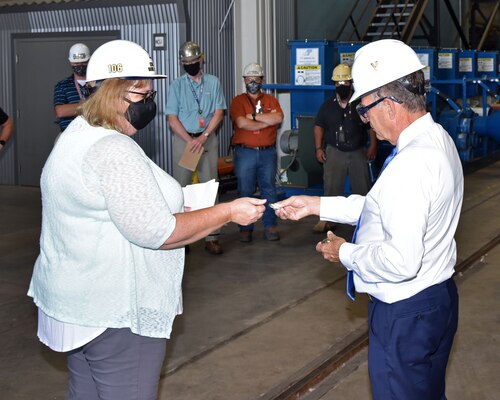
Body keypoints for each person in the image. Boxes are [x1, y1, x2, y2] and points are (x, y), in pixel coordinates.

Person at [27, 39, 265, 400]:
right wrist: (228, 211)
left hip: (76, 308)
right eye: (143, 94)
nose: (149, 103)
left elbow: (124, 208)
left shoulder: (78, 135)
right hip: (115, 313)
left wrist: (190, 214)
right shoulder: (112, 149)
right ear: (114, 92)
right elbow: (158, 232)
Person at [273, 39, 463, 400]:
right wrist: (316, 204)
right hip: (435, 301)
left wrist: (344, 252)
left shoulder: (411, 165)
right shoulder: (437, 140)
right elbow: (382, 206)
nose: (366, 121)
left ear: (388, 105)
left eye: (365, 111)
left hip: (405, 315)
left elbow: (400, 262)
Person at [166, 41, 227, 255]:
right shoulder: (177, 86)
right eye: (186, 62)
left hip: (207, 140)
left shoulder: (213, 82)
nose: (190, 65)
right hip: (185, 141)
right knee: (182, 188)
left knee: (210, 186)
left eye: (193, 61)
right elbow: (172, 118)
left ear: (201, 59)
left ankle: (212, 236)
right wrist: (190, 139)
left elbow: (219, 111)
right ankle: (182, 238)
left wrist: (204, 136)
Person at [313, 63, 377, 232]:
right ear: (334, 84)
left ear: (351, 83)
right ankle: (328, 220)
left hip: (358, 152)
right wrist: (318, 148)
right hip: (334, 151)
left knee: (362, 187)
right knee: (331, 187)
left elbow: (371, 126)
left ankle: (366, 221)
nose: (341, 87)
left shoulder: (359, 104)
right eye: (338, 84)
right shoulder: (328, 105)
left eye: (345, 83)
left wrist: (373, 146)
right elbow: (318, 126)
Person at [230, 62, 284, 242]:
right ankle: (246, 228)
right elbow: (241, 123)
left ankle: (270, 226)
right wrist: (266, 122)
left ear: (262, 80)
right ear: (244, 80)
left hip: (267, 153)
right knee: (245, 190)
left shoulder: (270, 100)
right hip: (245, 153)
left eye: (256, 78)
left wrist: (253, 117)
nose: (253, 81)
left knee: (269, 189)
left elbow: (278, 118)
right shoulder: (238, 101)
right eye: (249, 78)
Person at [53, 43, 91, 132]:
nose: (80, 66)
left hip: (93, 133)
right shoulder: (62, 85)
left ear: (89, 61)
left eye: (83, 62)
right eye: (76, 63)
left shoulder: (98, 83)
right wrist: (90, 105)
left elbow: (106, 107)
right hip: (68, 133)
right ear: (70, 62)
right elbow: (60, 111)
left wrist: (74, 108)